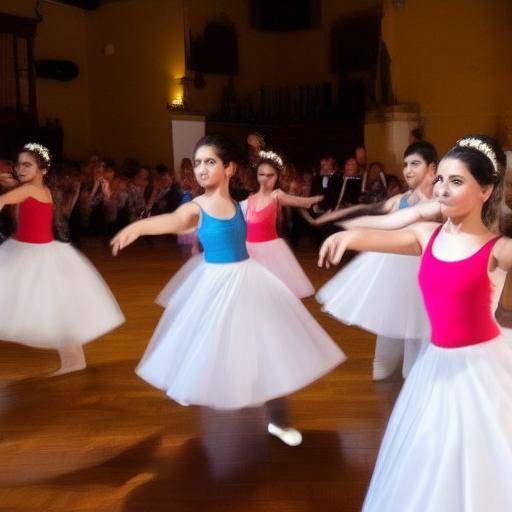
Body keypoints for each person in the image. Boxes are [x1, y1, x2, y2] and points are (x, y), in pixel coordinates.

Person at [111, 135, 345, 446]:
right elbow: (175, 220)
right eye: (197, 163)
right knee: (208, 344)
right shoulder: (197, 205)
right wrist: (138, 227)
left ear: (229, 168)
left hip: (249, 280)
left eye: (210, 162)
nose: (202, 169)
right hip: (214, 284)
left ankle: (277, 420)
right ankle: (208, 393)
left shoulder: (238, 204)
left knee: (267, 348)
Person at [320, 135, 512, 512]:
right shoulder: (427, 236)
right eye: (440, 179)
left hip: (479, 368)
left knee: (478, 456)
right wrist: (349, 236)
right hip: (436, 364)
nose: (441, 188)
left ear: (486, 190)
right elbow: (380, 236)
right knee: (431, 454)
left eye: (456, 182)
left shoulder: (498, 248)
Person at [314, 141, 438, 379]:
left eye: (415, 164)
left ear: (432, 168)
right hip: (395, 268)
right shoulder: (399, 200)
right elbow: (369, 210)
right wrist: (335, 218)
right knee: (391, 320)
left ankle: (415, 373)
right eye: (405, 165)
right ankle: (388, 364)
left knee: (419, 328)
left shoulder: (439, 204)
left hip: (425, 272)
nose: (408, 170)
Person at [0, 143, 125, 376]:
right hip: (42, 253)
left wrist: (10, 190)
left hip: (32, 255)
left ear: (43, 169)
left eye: (27, 164)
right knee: (57, 308)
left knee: (45, 306)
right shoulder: (42, 190)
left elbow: (5, 200)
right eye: (19, 164)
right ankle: (73, 359)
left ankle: (73, 360)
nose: (20, 168)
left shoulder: (27, 191)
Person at [242, 150, 323, 298]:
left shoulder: (277, 195)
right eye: (262, 174)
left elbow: (302, 202)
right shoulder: (249, 199)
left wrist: (314, 200)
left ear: (277, 177)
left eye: (270, 175)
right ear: (256, 176)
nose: (265, 179)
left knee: (271, 290)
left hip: (270, 248)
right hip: (248, 248)